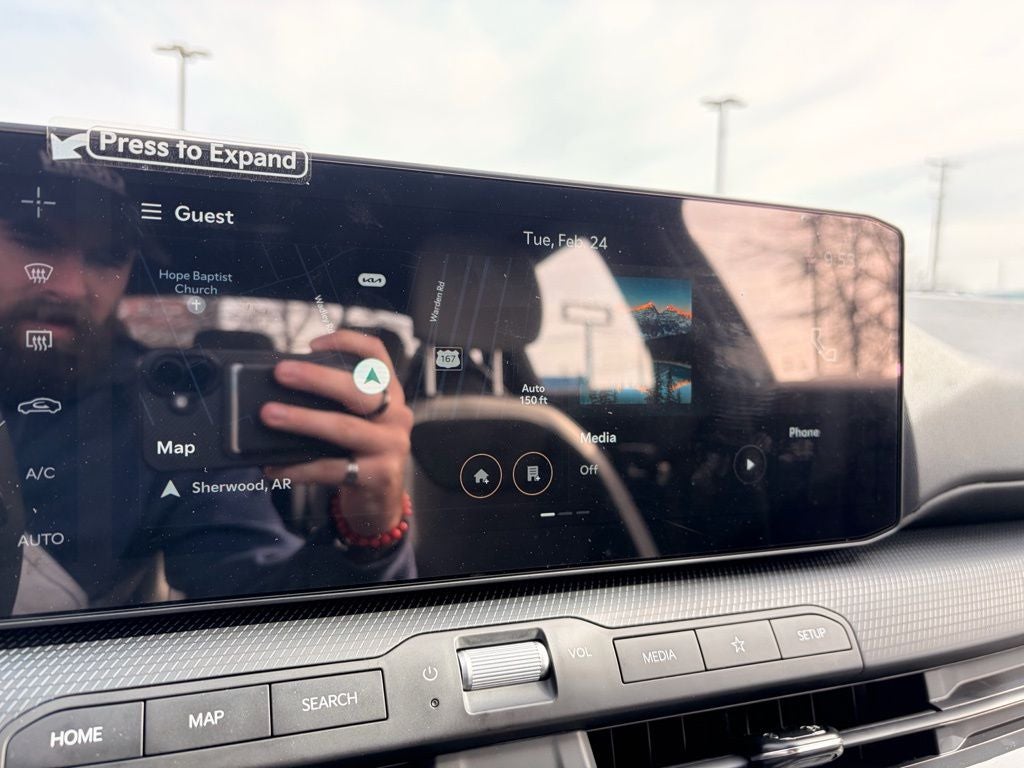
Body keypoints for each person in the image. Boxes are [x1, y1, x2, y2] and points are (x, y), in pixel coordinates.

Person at [0, 184, 416, 616]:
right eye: (33, 238)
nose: (69, 287)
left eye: (108, 256)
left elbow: (262, 595)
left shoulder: (174, 413)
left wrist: (371, 533)